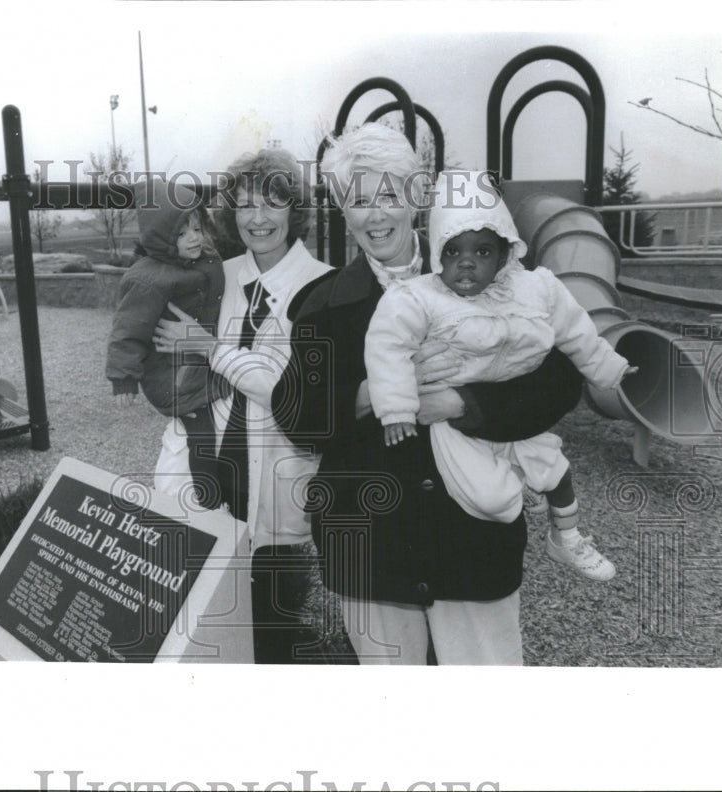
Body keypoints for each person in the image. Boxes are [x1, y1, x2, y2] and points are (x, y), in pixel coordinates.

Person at [271, 123, 585, 664]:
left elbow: (561, 381)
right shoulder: (322, 304)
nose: (376, 215)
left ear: (416, 199)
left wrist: (466, 403)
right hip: (371, 547)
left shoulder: (499, 275)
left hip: (472, 541)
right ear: (342, 210)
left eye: (389, 195)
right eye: (359, 199)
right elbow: (296, 415)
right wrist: (378, 391)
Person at [365, 170, 635, 581]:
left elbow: (577, 330)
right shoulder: (421, 298)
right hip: (455, 426)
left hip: (511, 405)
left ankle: (566, 537)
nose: (467, 263)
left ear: (506, 253)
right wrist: (397, 408)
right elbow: (388, 346)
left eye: (483, 252)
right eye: (453, 253)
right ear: (438, 254)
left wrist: (610, 368)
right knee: (495, 501)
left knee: (556, 468)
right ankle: (517, 491)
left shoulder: (536, 289)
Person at [151, 149, 333, 663]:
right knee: (202, 617)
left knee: (271, 617)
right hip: (204, 467)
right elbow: (167, 352)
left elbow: (288, 393)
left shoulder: (324, 286)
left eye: (272, 204)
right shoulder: (217, 275)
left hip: (273, 478)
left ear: (294, 209)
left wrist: (212, 350)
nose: (258, 219)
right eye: (245, 205)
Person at [105, 179, 224, 493]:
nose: (194, 238)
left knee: (222, 415)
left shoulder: (202, 258)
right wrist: (123, 378)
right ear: (162, 237)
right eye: (182, 233)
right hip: (172, 373)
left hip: (196, 357)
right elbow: (127, 331)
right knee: (202, 430)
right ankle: (203, 489)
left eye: (198, 228)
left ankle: (215, 484)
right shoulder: (147, 279)